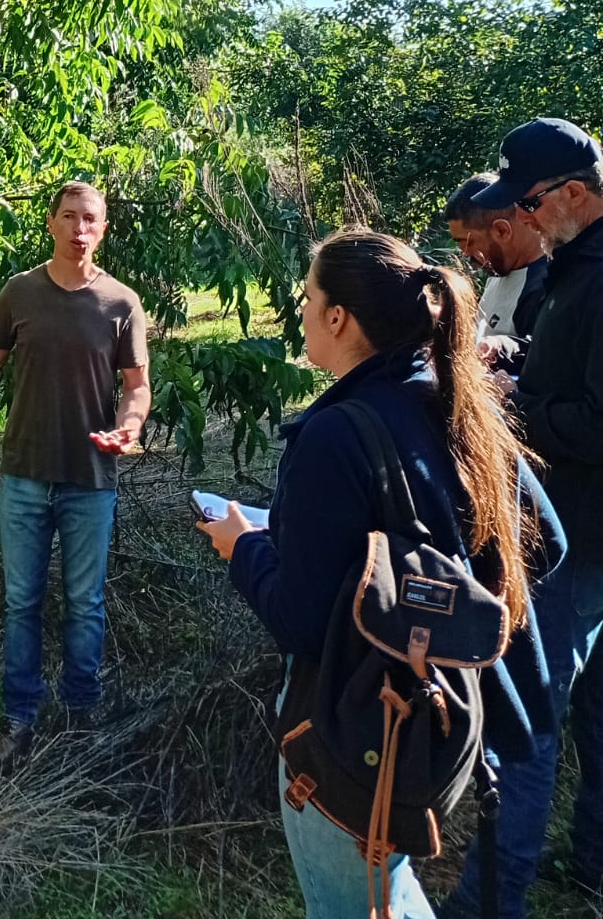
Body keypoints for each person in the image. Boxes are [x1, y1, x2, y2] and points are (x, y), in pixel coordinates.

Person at [200, 229, 549, 919]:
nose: (301, 312)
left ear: (338, 318)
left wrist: (243, 547)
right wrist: (448, 604)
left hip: (358, 729)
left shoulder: (334, 436)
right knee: (385, 889)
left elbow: (301, 621)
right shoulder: (454, 398)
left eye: (307, 298)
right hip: (446, 713)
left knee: (358, 899)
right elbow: (546, 543)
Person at [0, 181, 150, 769]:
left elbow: (137, 387)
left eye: (91, 219)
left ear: (103, 229)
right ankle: (19, 717)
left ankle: (81, 715)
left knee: (85, 603)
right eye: (70, 217)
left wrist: (129, 426)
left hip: (89, 479)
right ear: (51, 223)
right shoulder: (20, 291)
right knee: (22, 602)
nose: (80, 228)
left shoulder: (121, 303)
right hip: (24, 476)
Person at [442, 117, 603, 912]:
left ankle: (488, 901)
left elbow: (596, 423)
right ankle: (593, 861)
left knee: (531, 714)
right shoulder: (575, 267)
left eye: (530, 202)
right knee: (595, 707)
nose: (523, 218)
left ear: (575, 192)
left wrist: (518, 408)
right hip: (579, 525)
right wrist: (520, 360)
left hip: (583, 535)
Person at [444, 172, 547, 373]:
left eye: (468, 242)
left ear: (502, 230)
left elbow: (542, 364)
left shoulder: (543, 287)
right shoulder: (499, 269)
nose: (464, 253)